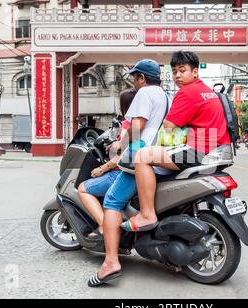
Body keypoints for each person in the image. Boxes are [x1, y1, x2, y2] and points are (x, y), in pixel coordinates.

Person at [120, 51, 231, 232]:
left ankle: (147, 214)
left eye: (182, 70)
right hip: (216, 148)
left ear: (195, 72)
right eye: (174, 71)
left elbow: (169, 126)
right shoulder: (206, 90)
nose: (178, 75)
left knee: (142, 156)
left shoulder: (187, 92)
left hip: (198, 150)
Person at [87, 59, 169, 287]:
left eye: (135, 77)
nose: (134, 81)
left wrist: (119, 145)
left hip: (138, 155)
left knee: (112, 201)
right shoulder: (165, 95)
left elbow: (136, 126)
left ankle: (111, 262)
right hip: (157, 155)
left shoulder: (144, 94)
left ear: (142, 77)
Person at [77, 88, 136, 239]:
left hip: (120, 172)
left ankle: (104, 225)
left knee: (83, 189)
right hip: (136, 170)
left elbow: (120, 157)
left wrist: (102, 169)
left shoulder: (128, 125)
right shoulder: (141, 122)